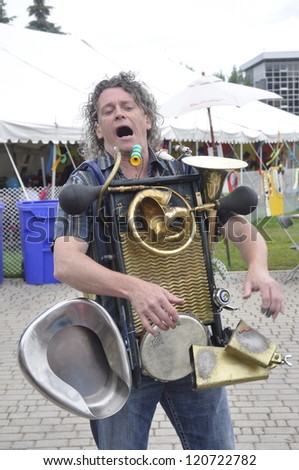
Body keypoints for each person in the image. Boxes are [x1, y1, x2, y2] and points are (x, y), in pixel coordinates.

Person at [53, 71, 284, 450]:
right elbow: (66, 263)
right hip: (123, 358)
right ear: (98, 129)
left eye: (127, 107)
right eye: (107, 111)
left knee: (218, 454)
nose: (118, 114)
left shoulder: (183, 174)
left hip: (195, 347)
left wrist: (258, 267)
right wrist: (135, 288)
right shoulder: (86, 182)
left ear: (146, 119)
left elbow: (241, 228)